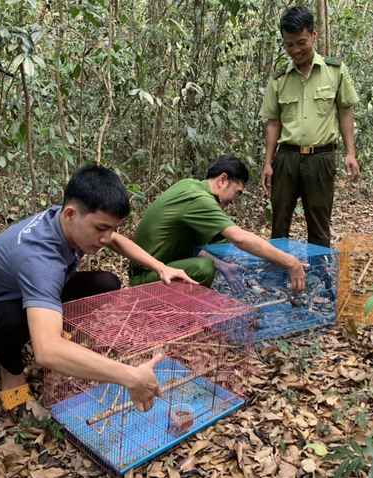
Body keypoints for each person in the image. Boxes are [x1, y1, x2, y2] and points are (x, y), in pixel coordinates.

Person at [0, 166, 197, 414]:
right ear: (70, 214)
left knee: (106, 283)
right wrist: (131, 376)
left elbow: (116, 240)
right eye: (101, 228)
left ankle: (60, 336)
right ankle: (11, 370)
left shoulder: (67, 220)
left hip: (24, 292)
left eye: (112, 228)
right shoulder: (39, 259)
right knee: (16, 322)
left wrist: (161, 267)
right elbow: (46, 352)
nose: (107, 237)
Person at [129, 155, 306, 293]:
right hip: (146, 277)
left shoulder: (189, 185)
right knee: (204, 269)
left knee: (218, 244)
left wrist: (223, 267)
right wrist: (290, 262)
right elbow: (240, 238)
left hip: (163, 267)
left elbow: (196, 245)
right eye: (237, 193)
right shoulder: (199, 199)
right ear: (222, 179)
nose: (234, 201)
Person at [259, 5, 360, 249]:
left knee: (319, 222)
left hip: (321, 158)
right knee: (280, 220)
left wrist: (350, 153)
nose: (295, 50)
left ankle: (320, 276)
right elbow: (273, 122)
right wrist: (268, 163)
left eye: (301, 42)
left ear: (314, 35)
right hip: (287, 159)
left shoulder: (335, 70)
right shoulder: (279, 78)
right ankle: (278, 275)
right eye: (289, 44)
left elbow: (345, 111)